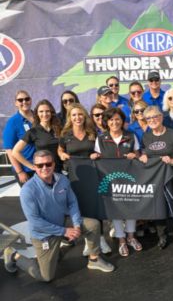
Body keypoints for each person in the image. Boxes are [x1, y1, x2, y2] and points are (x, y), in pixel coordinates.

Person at [3, 150, 114, 281]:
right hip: (44, 234)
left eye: (48, 164)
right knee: (45, 277)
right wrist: (65, 231)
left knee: (93, 224)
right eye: (40, 165)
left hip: (63, 221)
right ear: (34, 167)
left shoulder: (62, 179)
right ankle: (13, 255)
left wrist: (77, 224)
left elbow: (72, 202)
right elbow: (35, 221)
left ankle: (94, 259)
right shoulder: (28, 190)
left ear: (54, 164)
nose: (45, 168)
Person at [58, 103, 112, 255]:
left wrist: (96, 155)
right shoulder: (65, 135)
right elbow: (60, 149)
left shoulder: (92, 133)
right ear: (70, 117)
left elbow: (100, 150)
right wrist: (62, 154)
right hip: (75, 177)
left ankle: (101, 239)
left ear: (84, 116)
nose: (77, 117)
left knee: (96, 206)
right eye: (74, 115)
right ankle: (89, 242)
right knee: (80, 208)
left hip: (92, 174)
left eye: (80, 114)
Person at [93, 107, 142, 257]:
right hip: (111, 182)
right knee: (115, 212)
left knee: (131, 209)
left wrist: (135, 155)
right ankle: (121, 240)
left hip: (129, 179)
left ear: (122, 121)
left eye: (117, 119)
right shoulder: (101, 139)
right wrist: (94, 156)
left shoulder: (131, 136)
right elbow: (98, 156)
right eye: (111, 120)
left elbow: (138, 154)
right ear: (107, 122)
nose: (114, 122)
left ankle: (131, 237)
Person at [139, 106, 173, 249]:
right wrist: (143, 156)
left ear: (162, 117)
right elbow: (143, 153)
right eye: (149, 118)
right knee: (157, 207)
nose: (152, 120)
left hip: (172, 176)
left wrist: (172, 160)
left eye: (155, 116)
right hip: (155, 179)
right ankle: (162, 236)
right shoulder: (146, 136)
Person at [12, 99, 62, 173]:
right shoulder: (33, 131)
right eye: (41, 111)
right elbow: (15, 152)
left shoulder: (58, 129)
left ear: (51, 113)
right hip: (44, 172)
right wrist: (31, 166)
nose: (44, 114)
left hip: (60, 170)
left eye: (47, 111)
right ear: (37, 114)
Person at [3, 90, 35, 185]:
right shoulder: (13, 122)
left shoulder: (39, 117)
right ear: (16, 103)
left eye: (27, 99)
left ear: (31, 100)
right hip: (26, 169)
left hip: (42, 167)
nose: (24, 102)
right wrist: (20, 172)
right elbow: (9, 149)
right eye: (20, 100)